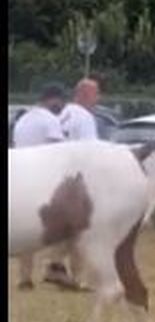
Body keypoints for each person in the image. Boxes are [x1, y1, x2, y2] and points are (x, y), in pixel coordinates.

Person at [44, 78, 102, 290]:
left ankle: (65, 271)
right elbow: (91, 150)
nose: (99, 99)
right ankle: (64, 270)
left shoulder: (63, 113)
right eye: (96, 94)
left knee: (71, 230)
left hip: (58, 177)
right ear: (85, 94)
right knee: (81, 229)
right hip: (76, 180)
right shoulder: (84, 117)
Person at [12, 83, 67, 291]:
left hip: (20, 178)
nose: (62, 106)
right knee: (66, 225)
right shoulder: (51, 120)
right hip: (44, 179)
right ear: (53, 99)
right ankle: (56, 267)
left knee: (26, 230)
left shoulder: (23, 119)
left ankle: (25, 278)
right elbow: (58, 152)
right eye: (61, 102)